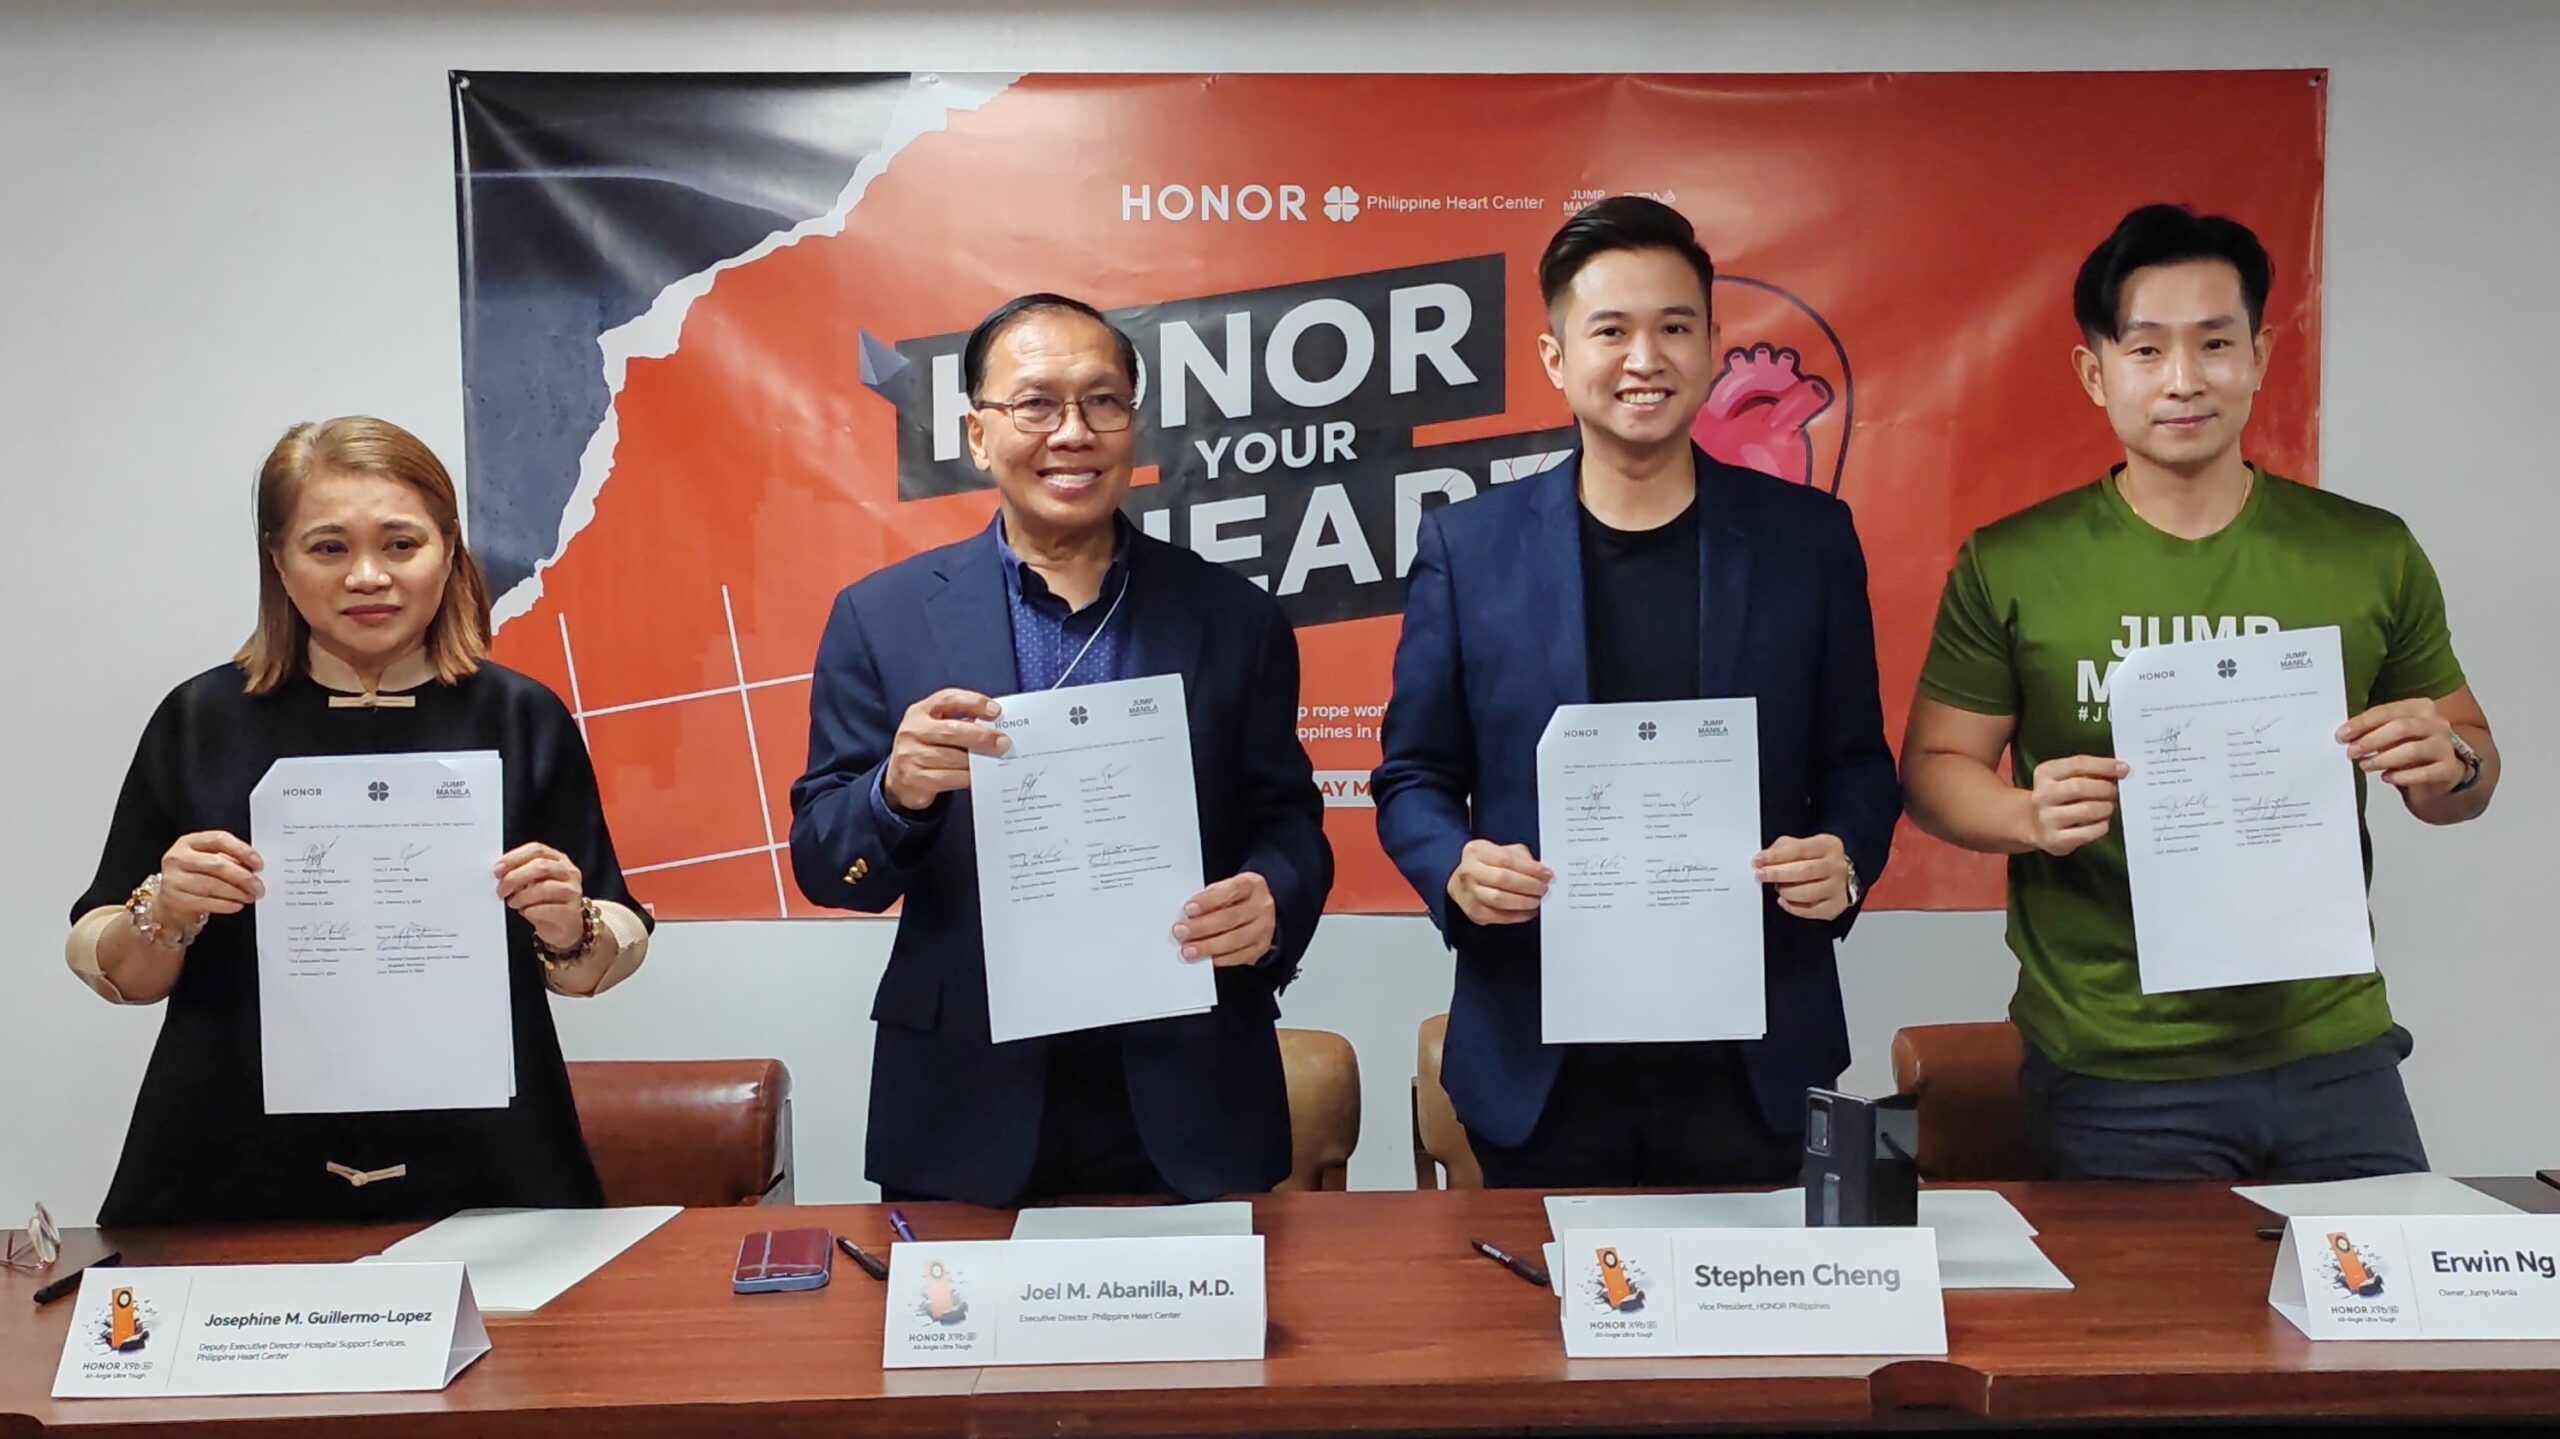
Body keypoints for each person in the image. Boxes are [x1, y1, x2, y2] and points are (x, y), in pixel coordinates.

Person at [1902, 203, 2499, 1181]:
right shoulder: (2013, 562)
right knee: (2155, 1335)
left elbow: (2464, 771)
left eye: (2215, 343)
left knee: (2393, 1330)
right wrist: (2024, 813)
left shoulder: (2364, 550)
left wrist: (2452, 760)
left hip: (2331, 1045)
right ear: (2095, 373)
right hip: (2115, 1060)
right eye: (2145, 349)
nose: (2183, 379)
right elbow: (1932, 768)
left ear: (2259, 356)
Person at [1371, 197, 1900, 1188]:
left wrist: (1846, 858)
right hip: (1540, 1057)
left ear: (1708, 347)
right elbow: (1413, 774)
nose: (1643, 358)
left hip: (1751, 1058)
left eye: (1673, 327)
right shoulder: (1469, 548)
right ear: (1554, 356)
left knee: (1755, 1339)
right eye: (1609, 330)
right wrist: (1454, 865)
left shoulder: (1806, 540)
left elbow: (1857, 763)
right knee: (1542, 1337)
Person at [789, 293, 1332, 1206]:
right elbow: (821, 859)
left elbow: (1289, 823)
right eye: (1035, 404)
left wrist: (1273, 895)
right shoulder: (879, 619)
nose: (1071, 432)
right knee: (969, 1354)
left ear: (1133, 424)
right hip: (965, 1102)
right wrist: (894, 790)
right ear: (976, 432)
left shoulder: (1235, 617)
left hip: (1191, 1092)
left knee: (1207, 1353)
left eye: (1103, 402)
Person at [67, 416, 650, 1225]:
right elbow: (112, 965)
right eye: (330, 547)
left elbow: (599, 955)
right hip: (227, 1162)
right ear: (278, 559)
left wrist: (570, 923)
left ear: (449, 550)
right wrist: (162, 909)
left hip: (488, 1157)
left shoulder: (523, 716)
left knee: (528, 1354)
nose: (367, 576)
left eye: (401, 545)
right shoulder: (201, 718)